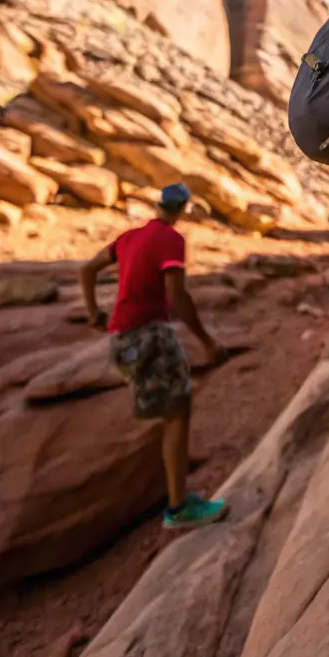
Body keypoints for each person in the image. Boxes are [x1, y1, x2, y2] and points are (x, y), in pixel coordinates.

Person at [81, 181, 229, 530]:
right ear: (182, 210)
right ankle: (178, 508)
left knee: (169, 411)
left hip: (121, 337)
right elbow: (178, 298)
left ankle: (177, 500)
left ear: (159, 204)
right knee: (178, 413)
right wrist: (207, 342)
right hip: (148, 335)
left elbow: (87, 270)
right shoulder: (171, 240)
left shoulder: (130, 237)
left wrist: (94, 314)